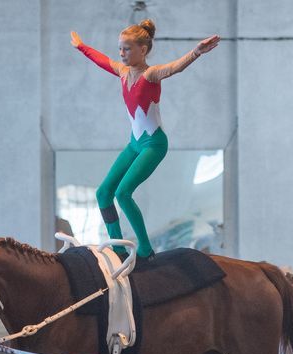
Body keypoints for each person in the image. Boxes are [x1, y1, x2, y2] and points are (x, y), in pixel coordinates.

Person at [71, 22, 220, 259]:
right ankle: (118, 246)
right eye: (120, 49)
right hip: (135, 144)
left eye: (127, 49)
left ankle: (145, 248)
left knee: (123, 193)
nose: (121, 54)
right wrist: (81, 46)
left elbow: (174, 68)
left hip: (154, 144)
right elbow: (101, 60)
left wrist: (196, 53)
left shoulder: (151, 74)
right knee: (103, 193)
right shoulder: (122, 71)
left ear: (143, 49)